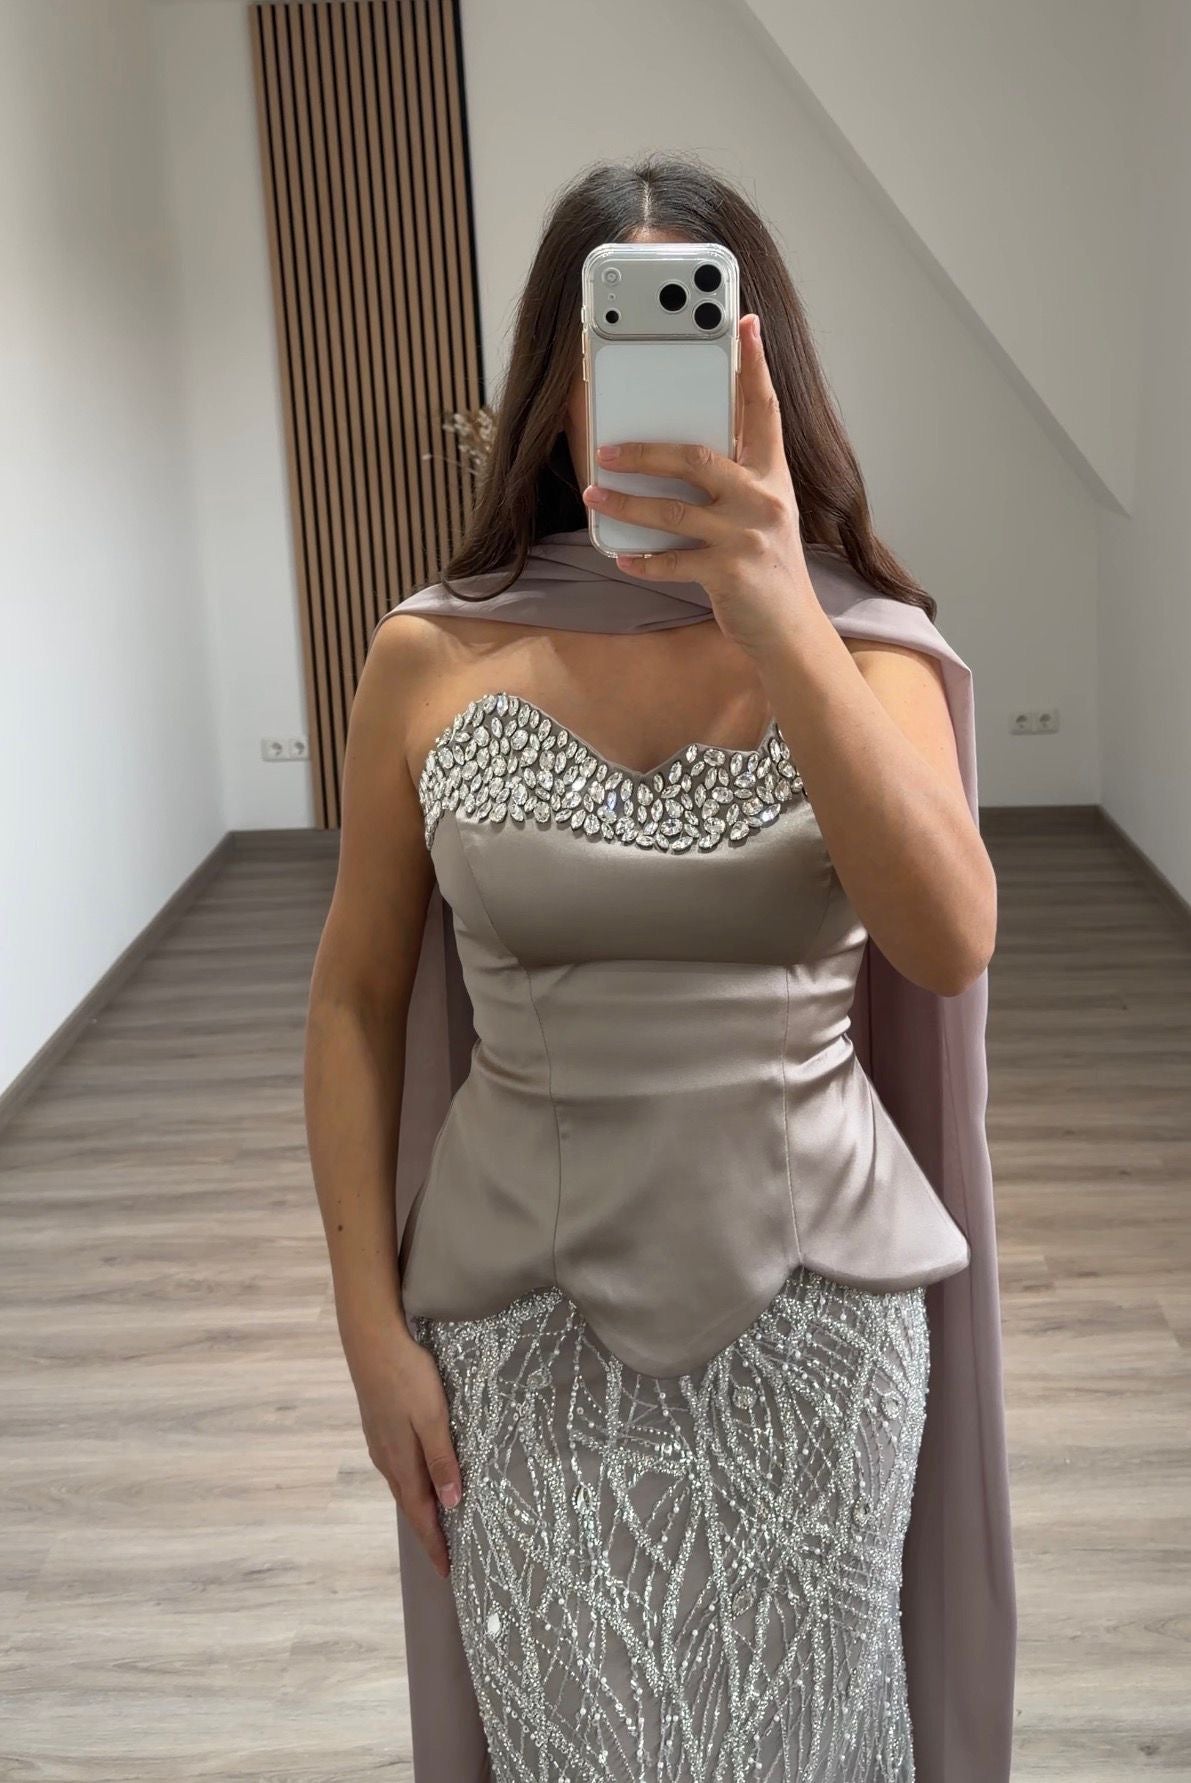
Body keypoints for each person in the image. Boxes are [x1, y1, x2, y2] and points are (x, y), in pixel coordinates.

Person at [303, 156, 1016, 1783]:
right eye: (607, 352)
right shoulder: (430, 654)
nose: (637, 396)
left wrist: (777, 613)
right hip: (517, 1345)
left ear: (762, 376)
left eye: (685, 344)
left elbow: (949, 941)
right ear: (553, 392)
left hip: (820, 1337)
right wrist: (365, 1333)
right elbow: (353, 1000)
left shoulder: (865, 651)